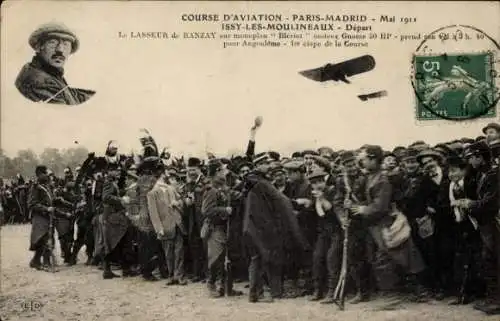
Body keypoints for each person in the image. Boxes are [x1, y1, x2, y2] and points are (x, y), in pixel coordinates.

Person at [243, 158, 310, 302]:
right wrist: (298, 202)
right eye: (265, 163)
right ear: (258, 166)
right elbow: (281, 200)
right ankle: (260, 294)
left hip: (252, 226)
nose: (269, 166)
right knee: (262, 259)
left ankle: (260, 293)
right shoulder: (262, 183)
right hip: (260, 228)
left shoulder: (253, 182)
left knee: (258, 259)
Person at [15, 22, 95, 105]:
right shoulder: (41, 82)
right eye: (52, 42)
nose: (60, 50)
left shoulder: (49, 73)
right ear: (38, 47)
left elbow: (69, 93)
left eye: (65, 44)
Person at [201, 159, 242, 297]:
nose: (226, 172)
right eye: (223, 169)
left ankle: (227, 288)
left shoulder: (222, 186)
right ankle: (211, 285)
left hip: (226, 227)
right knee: (216, 257)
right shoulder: (211, 189)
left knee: (227, 257)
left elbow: (231, 195)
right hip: (216, 228)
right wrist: (225, 210)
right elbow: (206, 210)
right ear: (217, 171)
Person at [148, 165, 188, 286]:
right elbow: (153, 213)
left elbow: (181, 200)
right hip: (165, 228)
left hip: (178, 224)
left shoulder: (171, 189)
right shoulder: (152, 193)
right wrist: (159, 228)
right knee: (169, 254)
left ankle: (179, 275)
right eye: (165, 174)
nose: (167, 176)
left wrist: (177, 203)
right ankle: (171, 276)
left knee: (179, 252)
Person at [28, 165, 55, 270]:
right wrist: (46, 209)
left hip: (48, 217)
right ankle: (46, 262)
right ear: (39, 174)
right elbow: (31, 204)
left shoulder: (47, 186)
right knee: (43, 238)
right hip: (39, 217)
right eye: (45, 173)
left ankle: (35, 261)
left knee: (46, 238)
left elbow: (51, 200)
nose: (47, 175)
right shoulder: (35, 187)